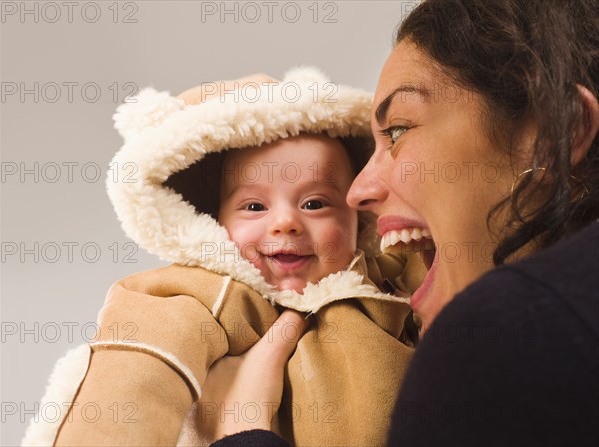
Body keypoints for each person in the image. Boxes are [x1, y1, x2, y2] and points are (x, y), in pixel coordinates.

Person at [201, 0, 599, 445]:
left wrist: (243, 431)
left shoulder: (496, 331)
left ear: (551, 133)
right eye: (254, 207)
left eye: (397, 131)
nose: (357, 191)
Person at [22, 68, 425, 446]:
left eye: (315, 203)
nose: (286, 223)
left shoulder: (385, 281)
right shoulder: (208, 297)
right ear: (215, 223)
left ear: (359, 217)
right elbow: (134, 376)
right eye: (253, 207)